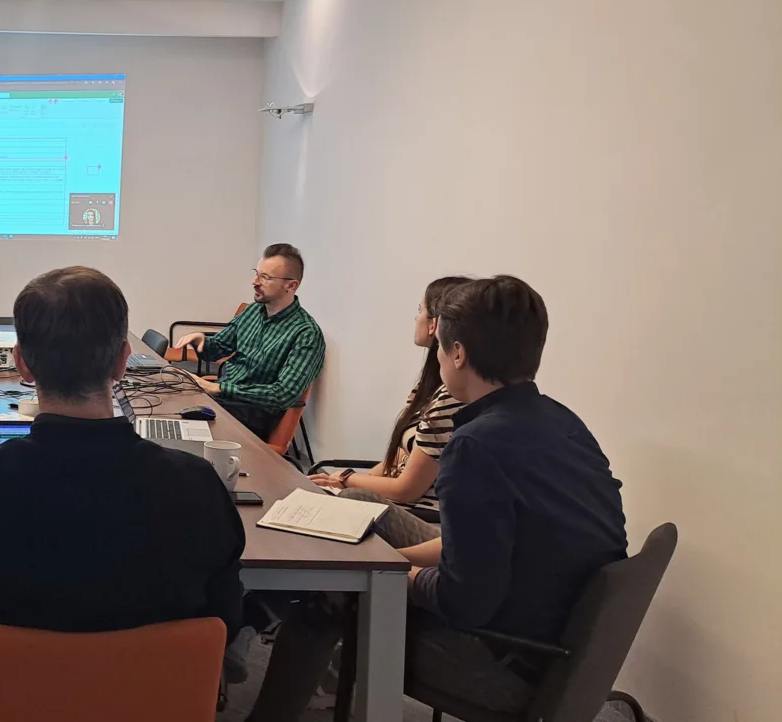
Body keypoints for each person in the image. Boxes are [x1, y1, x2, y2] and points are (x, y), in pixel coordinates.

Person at [246, 276, 627, 722]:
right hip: (556, 645)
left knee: (330, 600)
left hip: (503, 663)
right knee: (365, 517)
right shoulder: (564, 422)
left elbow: (462, 599)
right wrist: (387, 560)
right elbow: (486, 545)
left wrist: (381, 574)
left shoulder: (476, 446)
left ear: (457, 353)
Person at [0, 266, 245, 655]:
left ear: (22, 363)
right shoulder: (196, 484)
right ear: (122, 361)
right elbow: (226, 619)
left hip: (5, 687)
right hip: (155, 687)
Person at [307, 276, 472, 548]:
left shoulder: (451, 398)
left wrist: (347, 480)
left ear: (434, 325)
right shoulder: (426, 387)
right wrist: (346, 480)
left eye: (419, 310)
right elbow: (395, 461)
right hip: (405, 505)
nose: (416, 318)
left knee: (349, 501)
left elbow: (407, 490)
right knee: (323, 493)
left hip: (428, 518)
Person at [174, 243, 325, 438]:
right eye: (256, 274)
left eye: (265, 277)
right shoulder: (252, 312)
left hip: (251, 415)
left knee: (173, 428)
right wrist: (200, 340)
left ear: (291, 285)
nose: (255, 282)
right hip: (223, 401)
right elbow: (217, 349)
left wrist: (218, 388)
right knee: (166, 406)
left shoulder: (306, 333)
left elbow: (282, 395)